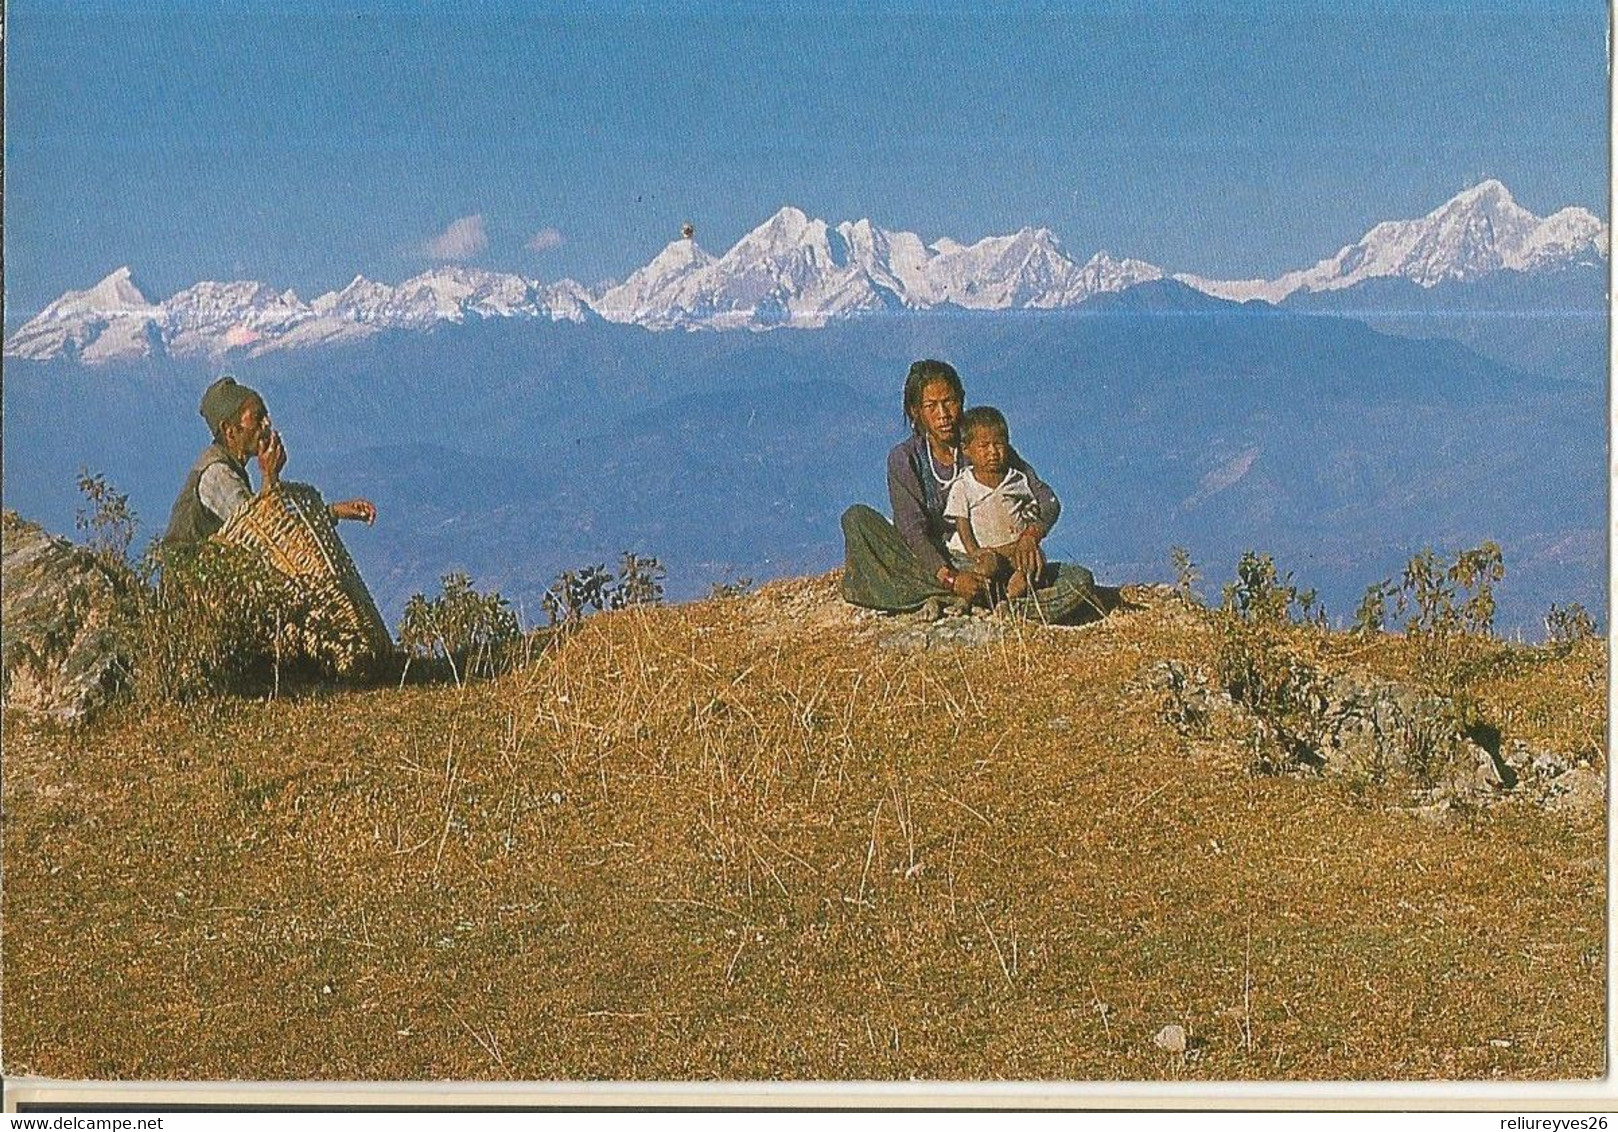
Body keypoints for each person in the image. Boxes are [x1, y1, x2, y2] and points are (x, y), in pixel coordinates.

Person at [840, 358, 1110, 621]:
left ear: (962, 400)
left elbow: (1047, 501)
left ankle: (1002, 605)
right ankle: (958, 593)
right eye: (931, 406)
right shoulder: (905, 458)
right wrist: (951, 578)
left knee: (1079, 581)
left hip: (997, 563)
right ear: (915, 412)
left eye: (950, 402)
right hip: (936, 564)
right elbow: (912, 531)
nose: (943, 415)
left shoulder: (985, 447)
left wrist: (1030, 536)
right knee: (857, 520)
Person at [163, 375, 377, 545]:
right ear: (230, 430)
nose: (266, 424)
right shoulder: (218, 474)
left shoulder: (231, 467)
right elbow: (265, 536)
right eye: (257, 418)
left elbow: (278, 526)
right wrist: (269, 476)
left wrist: (333, 512)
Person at [945, 406, 1043, 602]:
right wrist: (975, 552)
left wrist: (1029, 535)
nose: (992, 452)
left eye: (998, 444)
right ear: (966, 450)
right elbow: (961, 523)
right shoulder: (964, 485)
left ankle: (1012, 597)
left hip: (1013, 549)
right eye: (984, 446)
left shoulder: (1015, 479)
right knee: (987, 568)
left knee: (1035, 560)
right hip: (986, 553)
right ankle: (988, 596)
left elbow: (1031, 507)